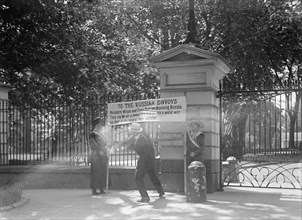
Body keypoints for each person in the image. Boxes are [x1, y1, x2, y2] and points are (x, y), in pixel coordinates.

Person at [113, 122, 165, 203]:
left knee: (138, 178)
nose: (130, 132)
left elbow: (145, 154)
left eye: (131, 131)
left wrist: (140, 164)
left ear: (135, 132)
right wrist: (118, 146)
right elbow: (127, 141)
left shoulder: (142, 140)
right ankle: (161, 192)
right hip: (149, 159)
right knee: (153, 176)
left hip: (146, 160)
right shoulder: (137, 137)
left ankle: (145, 197)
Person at [89, 117, 109, 196]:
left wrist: (107, 146)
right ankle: (94, 189)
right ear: (96, 125)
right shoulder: (92, 134)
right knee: (95, 172)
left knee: (102, 172)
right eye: (100, 124)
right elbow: (93, 144)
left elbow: (105, 143)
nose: (101, 126)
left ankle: (101, 188)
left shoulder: (102, 134)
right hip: (96, 156)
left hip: (103, 155)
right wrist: (100, 150)